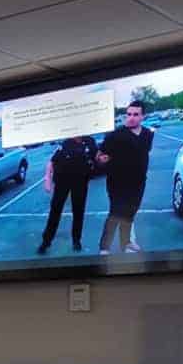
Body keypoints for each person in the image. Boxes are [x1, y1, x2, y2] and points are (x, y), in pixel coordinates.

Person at [96, 101, 155, 255]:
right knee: (116, 214)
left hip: (139, 183)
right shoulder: (115, 135)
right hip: (117, 183)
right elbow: (100, 155)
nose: (131, 118)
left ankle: (126, 242)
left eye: (136, 115)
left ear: (143, 116)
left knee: (129, 214)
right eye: (128, 114)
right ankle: (104, 248)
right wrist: (102, 159)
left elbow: (144, 154)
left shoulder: (148, 134)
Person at [37, 134, 97, 254]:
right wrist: (47, 180)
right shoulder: (65, 143)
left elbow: (97, 157)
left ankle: (76, 240)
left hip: (80, 182)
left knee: (78, 211)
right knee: (55, 211)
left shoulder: (90, 142)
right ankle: (46, 241)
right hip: (62, 182)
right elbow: (51, 162)